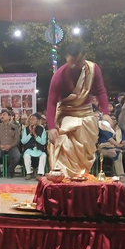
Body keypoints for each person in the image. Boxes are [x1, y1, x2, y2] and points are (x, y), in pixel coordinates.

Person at [46, 43, 110, 177]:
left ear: (84, 58)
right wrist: (51, 127)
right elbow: (51, 103)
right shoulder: (59, 76)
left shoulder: (93, 70)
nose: (74, 66)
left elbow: (101, 91)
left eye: (78, 62)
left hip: (86, 118)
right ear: (66, 59)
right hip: (65, 117)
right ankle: (64, 186)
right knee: (63, 150)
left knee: (84, 159)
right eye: (71, 63)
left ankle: (81, 184)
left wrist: (106, 113)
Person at [0, 109, 21, 178]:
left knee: (17, 156)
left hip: (12, 146)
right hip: (0, 146)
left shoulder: (14, 127)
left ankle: (10, 171)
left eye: (4, 115)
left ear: (9, 117)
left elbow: (17, 139)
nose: (2, 116)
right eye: (1, 115)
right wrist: (0, 145)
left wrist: (10, 146)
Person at [21, 113, 47, 180]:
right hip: (29, 149)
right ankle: (29, 173)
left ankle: (40, 173)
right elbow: (23, 141)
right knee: (26, 155)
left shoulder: (42, 129)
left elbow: (43, 142)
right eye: (30, 119)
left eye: (33, 119)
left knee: (43, 156)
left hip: (39, 149)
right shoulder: (26, 129)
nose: (31, 121)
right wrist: (30, 134)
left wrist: (35, 135)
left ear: (37, 121)